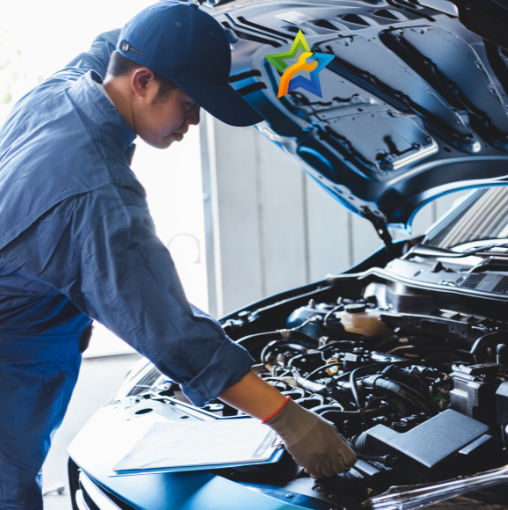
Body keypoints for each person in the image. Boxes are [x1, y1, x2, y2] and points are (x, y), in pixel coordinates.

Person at [0, 2, 356, 509]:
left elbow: (113, 42)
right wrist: (289, 419)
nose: (192, 121)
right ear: (142, 81)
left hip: (31, 334)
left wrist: (203, 26)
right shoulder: (96, 196)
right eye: (189, 103)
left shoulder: (65, 89)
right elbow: (171, 329)